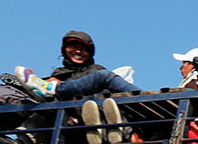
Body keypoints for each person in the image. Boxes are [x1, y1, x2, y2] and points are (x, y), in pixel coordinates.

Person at [13, 30, 141, 101]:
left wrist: (55, 85)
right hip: (65, 111)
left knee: (104, 76)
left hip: (91, 104)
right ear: (64, 50)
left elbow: (93, 87)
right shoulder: (59, 73)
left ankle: (51, 89)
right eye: (73, 46)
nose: (78, 51)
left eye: (84, 49)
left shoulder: (96, 70)